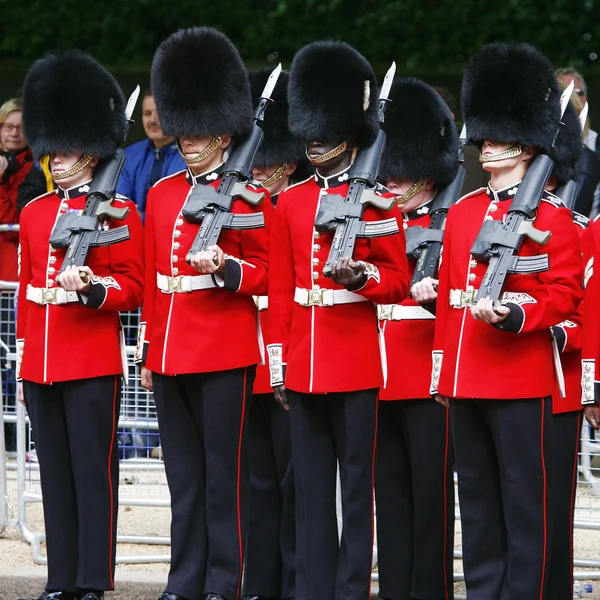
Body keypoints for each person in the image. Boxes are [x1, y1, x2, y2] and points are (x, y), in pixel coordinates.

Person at [412, 42, 583, 599]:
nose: (485, 145)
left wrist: (516, 314)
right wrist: (441, 370)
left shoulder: (555, 219)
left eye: (497, 136)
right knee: (479, 507)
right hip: (466, 379)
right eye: (483, 135)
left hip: (519, 378)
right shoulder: (462, 212)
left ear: (527, 142)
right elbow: (453, 307)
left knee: (523, 507)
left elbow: (561, 297)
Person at [267, 41, 410, 600]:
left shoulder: (380, 203)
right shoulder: (292, 201)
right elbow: (281, 291)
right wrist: (278, 365)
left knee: (356, 488)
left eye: (324, 131)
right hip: (302, 358)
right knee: (309, 488)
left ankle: (351, 589)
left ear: (349, 134)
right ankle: (313, 588)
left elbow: (396, 280)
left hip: (354, 357)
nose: (315, 141)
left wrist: (361, 280)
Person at [136, 27, 273, 600]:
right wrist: (147, 350)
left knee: (226, 479)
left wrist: (226, 269)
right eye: (183, 129)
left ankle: (225, 580)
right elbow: (152, 282)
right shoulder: (164, 193)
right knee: (184, 479)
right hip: (170, 350)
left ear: (223, 134)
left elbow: (266, 273)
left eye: (199, 131)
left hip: (223, 350)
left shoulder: (250, 197)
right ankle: (184, 580)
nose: (187, 140)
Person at [18, 50, 144, 600]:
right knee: (55, 477)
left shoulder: (119, 212)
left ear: (91, 152)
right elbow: (26, 293)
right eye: (55, 146)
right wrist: (25, 360)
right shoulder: (34, 212)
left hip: (91, 358)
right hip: (42, 361)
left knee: (94, 475)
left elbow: (133, 287)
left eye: (69, 148)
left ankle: (94, 578)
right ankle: (60, 578)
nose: (59, 157)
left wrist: (93, 288)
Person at [375, 77, 457, 600]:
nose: (394, 181)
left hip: (426, 375)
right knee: (391, 499)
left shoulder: (452, 221)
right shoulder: (376, 223)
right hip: (377, 373)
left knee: (429, 500)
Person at [243, 68, 304, 600]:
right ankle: (260, 582)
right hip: (246, 352)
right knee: (256, 481)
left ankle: (292, 581)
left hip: (283, 354)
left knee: (293, 482)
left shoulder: (296, 204)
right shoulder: (242, 201)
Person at [545, 100, 586, 600]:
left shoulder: (574, 228)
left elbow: (582, 313)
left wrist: (556, 334)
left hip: (558, 382)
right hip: (502, 376)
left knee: (554, 505)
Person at [116, 90, 185, 220]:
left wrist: (139, 217)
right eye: (147, 113)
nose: (153, 120)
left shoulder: (189, 155)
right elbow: (121, 201)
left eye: (160, 113)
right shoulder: (130, 155)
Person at [0, 98, 33, 282]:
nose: (14, 133)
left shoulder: (35, 170)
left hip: (8, 277)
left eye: (21, 128)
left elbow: (12, 225)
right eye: (8, 127)